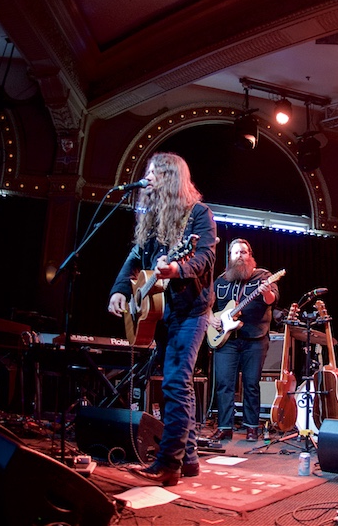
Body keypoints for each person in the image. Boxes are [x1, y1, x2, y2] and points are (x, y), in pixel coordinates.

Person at [107, 153, 216, 486]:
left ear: (171, 177)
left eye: (155, 172)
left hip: (192, 311)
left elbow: (205, 256)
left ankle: (169, 464)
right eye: (148, 172)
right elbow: (134, 256)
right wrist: (121, 289)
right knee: (178, 383)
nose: (148, 177)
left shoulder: (199, 214)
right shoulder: (153, 219)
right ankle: (191, 461)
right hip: (162, 312)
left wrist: (177, 269)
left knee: (174, 384)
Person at [209, 239, 279, 441]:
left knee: (251, 383)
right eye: (236, 252)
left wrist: (266, 292)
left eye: (244, 252)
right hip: (226, 340)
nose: (240, 255)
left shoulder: (263, 277)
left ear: (250, 255)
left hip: (254, 338)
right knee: (224, 383)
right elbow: (207, 304)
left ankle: (251, 427)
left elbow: (272, 299)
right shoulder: (221, 280)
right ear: (229, 257)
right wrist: (210, 318)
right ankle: (224, 426)